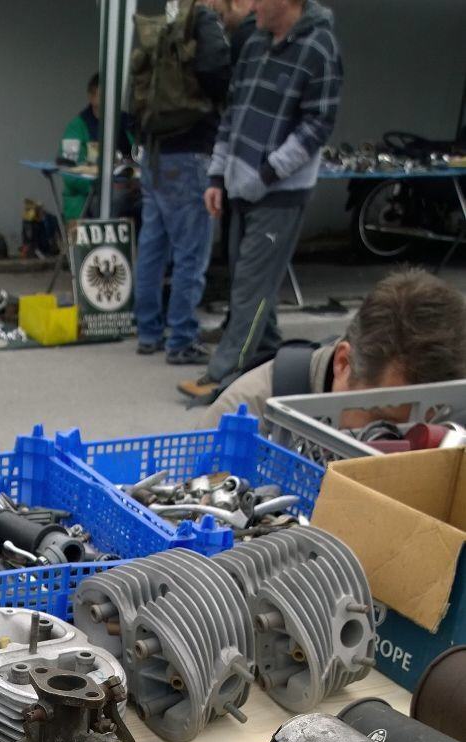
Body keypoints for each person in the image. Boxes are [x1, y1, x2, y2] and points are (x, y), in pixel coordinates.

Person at [178, 0, 342, 404]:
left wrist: (267, 173)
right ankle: (271, 358)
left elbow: (317, 125)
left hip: (280, 193)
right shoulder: (253, 43)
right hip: (239, 187)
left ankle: (225, 374)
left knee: (250, 287)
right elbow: (232, 114)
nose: (251, 5)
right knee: (248, 281)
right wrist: (217, 175)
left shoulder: (319, 47)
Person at [196, 268, 466, 432]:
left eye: (432, 424)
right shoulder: (244, 416)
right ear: (343, 363)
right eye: (385, 423)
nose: (408, 443)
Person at [133, 2, 231, 364]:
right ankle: (182, 339)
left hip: (154, 151)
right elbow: (218, 72)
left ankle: (148, 332)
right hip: (190, 150)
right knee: (191, 252)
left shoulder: (165, 26)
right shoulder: (204, 22)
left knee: (153, 246)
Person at [60, 72, 134, 223]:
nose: (109, 99)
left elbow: (141, 155)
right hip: (88, 197)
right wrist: (99, 185)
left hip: (131, 188)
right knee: (116, 199)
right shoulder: (77, 127)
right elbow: (69, 172)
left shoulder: (128, 123)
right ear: (91, 97)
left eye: (113, 95)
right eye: (103, 94)